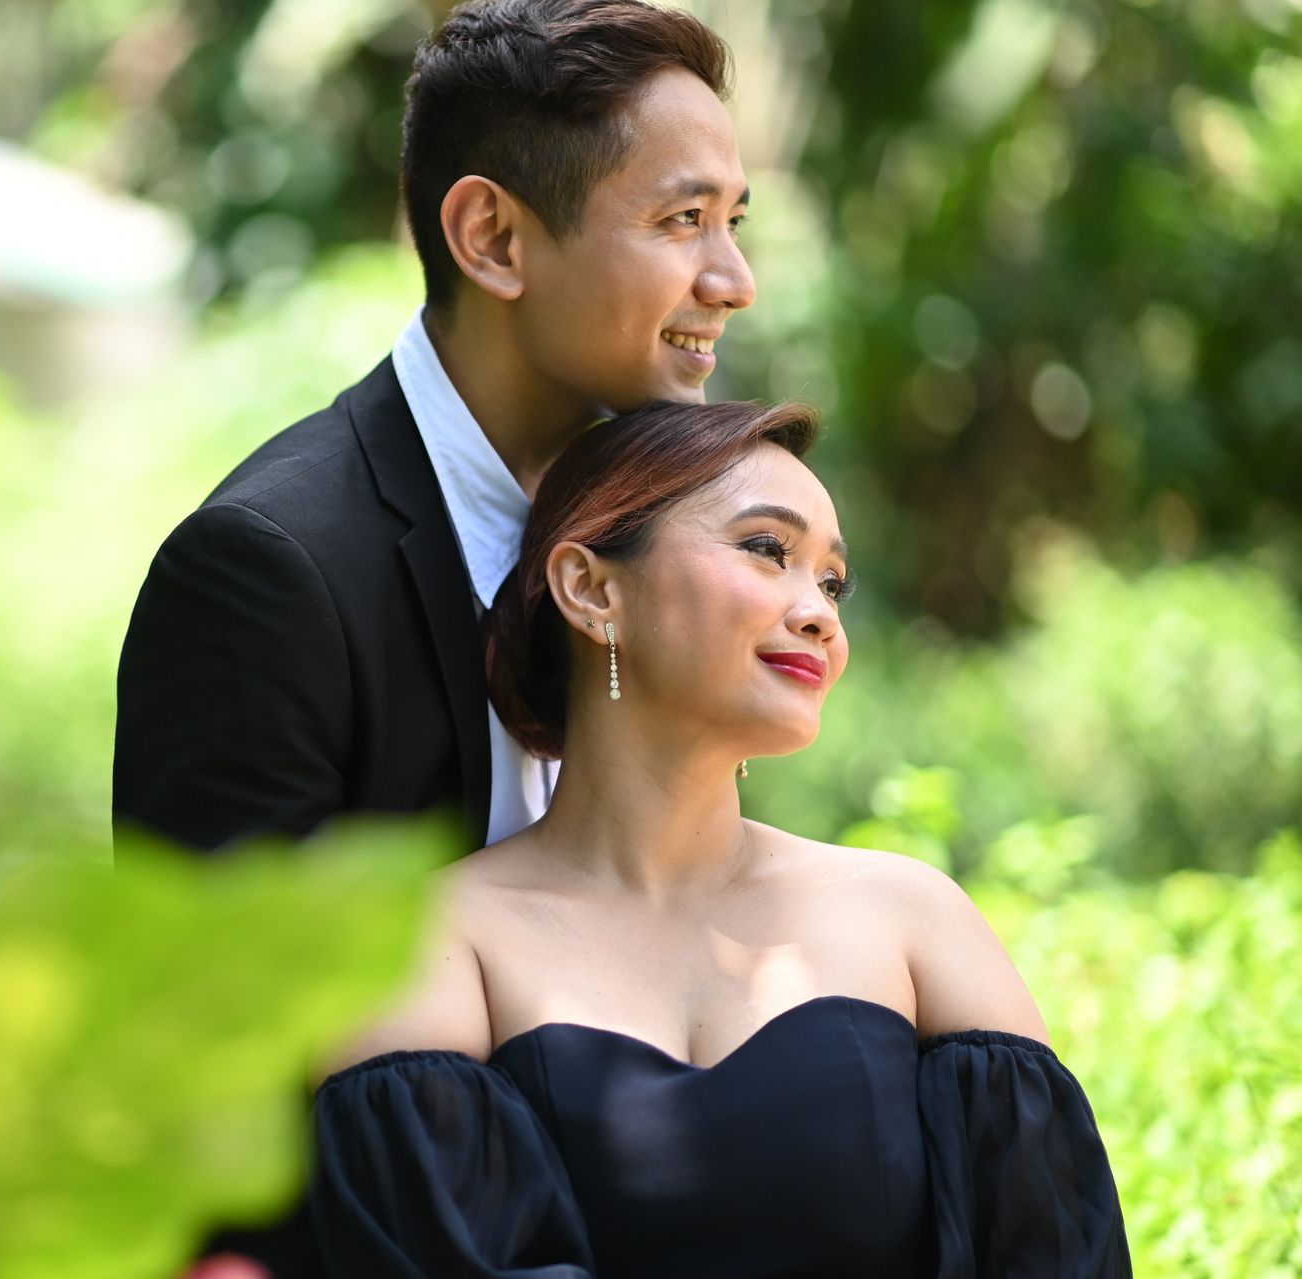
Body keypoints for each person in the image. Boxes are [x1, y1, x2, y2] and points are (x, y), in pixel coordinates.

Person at [304, 398, 1130, 1276]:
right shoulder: (425, 940)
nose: (820, 614)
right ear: (591, 589)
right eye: (768, 549)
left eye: (833, 582)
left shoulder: (913, 918)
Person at [114, 0, 755, 856]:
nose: (736, 282)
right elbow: (219, 946)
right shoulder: (267, 576)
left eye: (733, 222)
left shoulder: (663, 534)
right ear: (492, 238)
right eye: (685, 220)